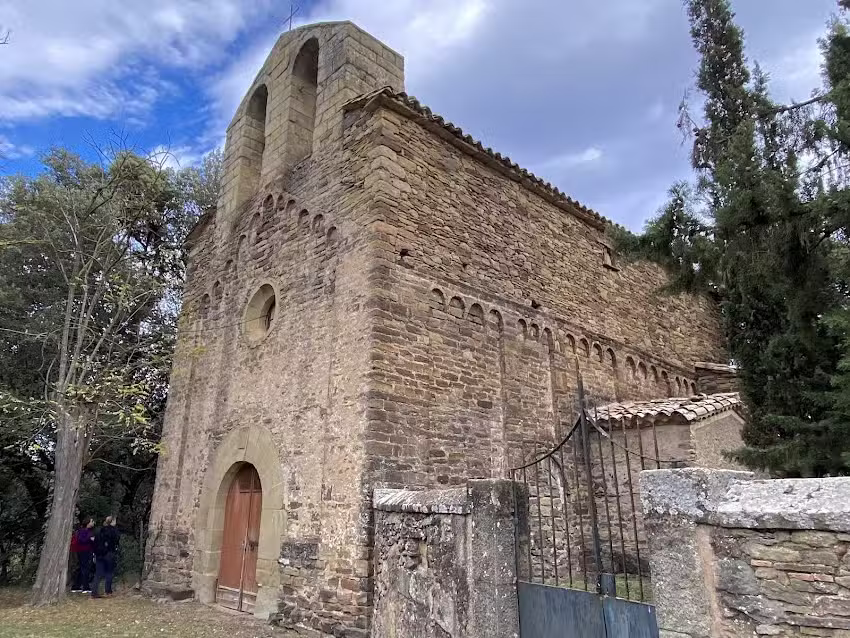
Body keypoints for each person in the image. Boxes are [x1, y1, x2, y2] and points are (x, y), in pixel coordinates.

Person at [91, 516, 119, 599]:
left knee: (98, 573)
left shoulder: (98, 530)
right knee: (109, 572)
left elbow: (95, 542)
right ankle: (108, 591)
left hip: (99, 554)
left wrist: (95, 552)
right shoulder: (114, 531)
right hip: (109, 553)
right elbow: (116, 540)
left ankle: (94, 592)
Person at [71, 518, 95, 593]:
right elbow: (81, 540)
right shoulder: (83, 531)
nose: (93, 523)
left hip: (85, 551)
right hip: (84, 552)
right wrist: (90, 539)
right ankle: (85, 587)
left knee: (81, 568)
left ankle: (77, 586)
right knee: (85, 568)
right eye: (92, 521)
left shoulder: (88, 531)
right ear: (88, 523)